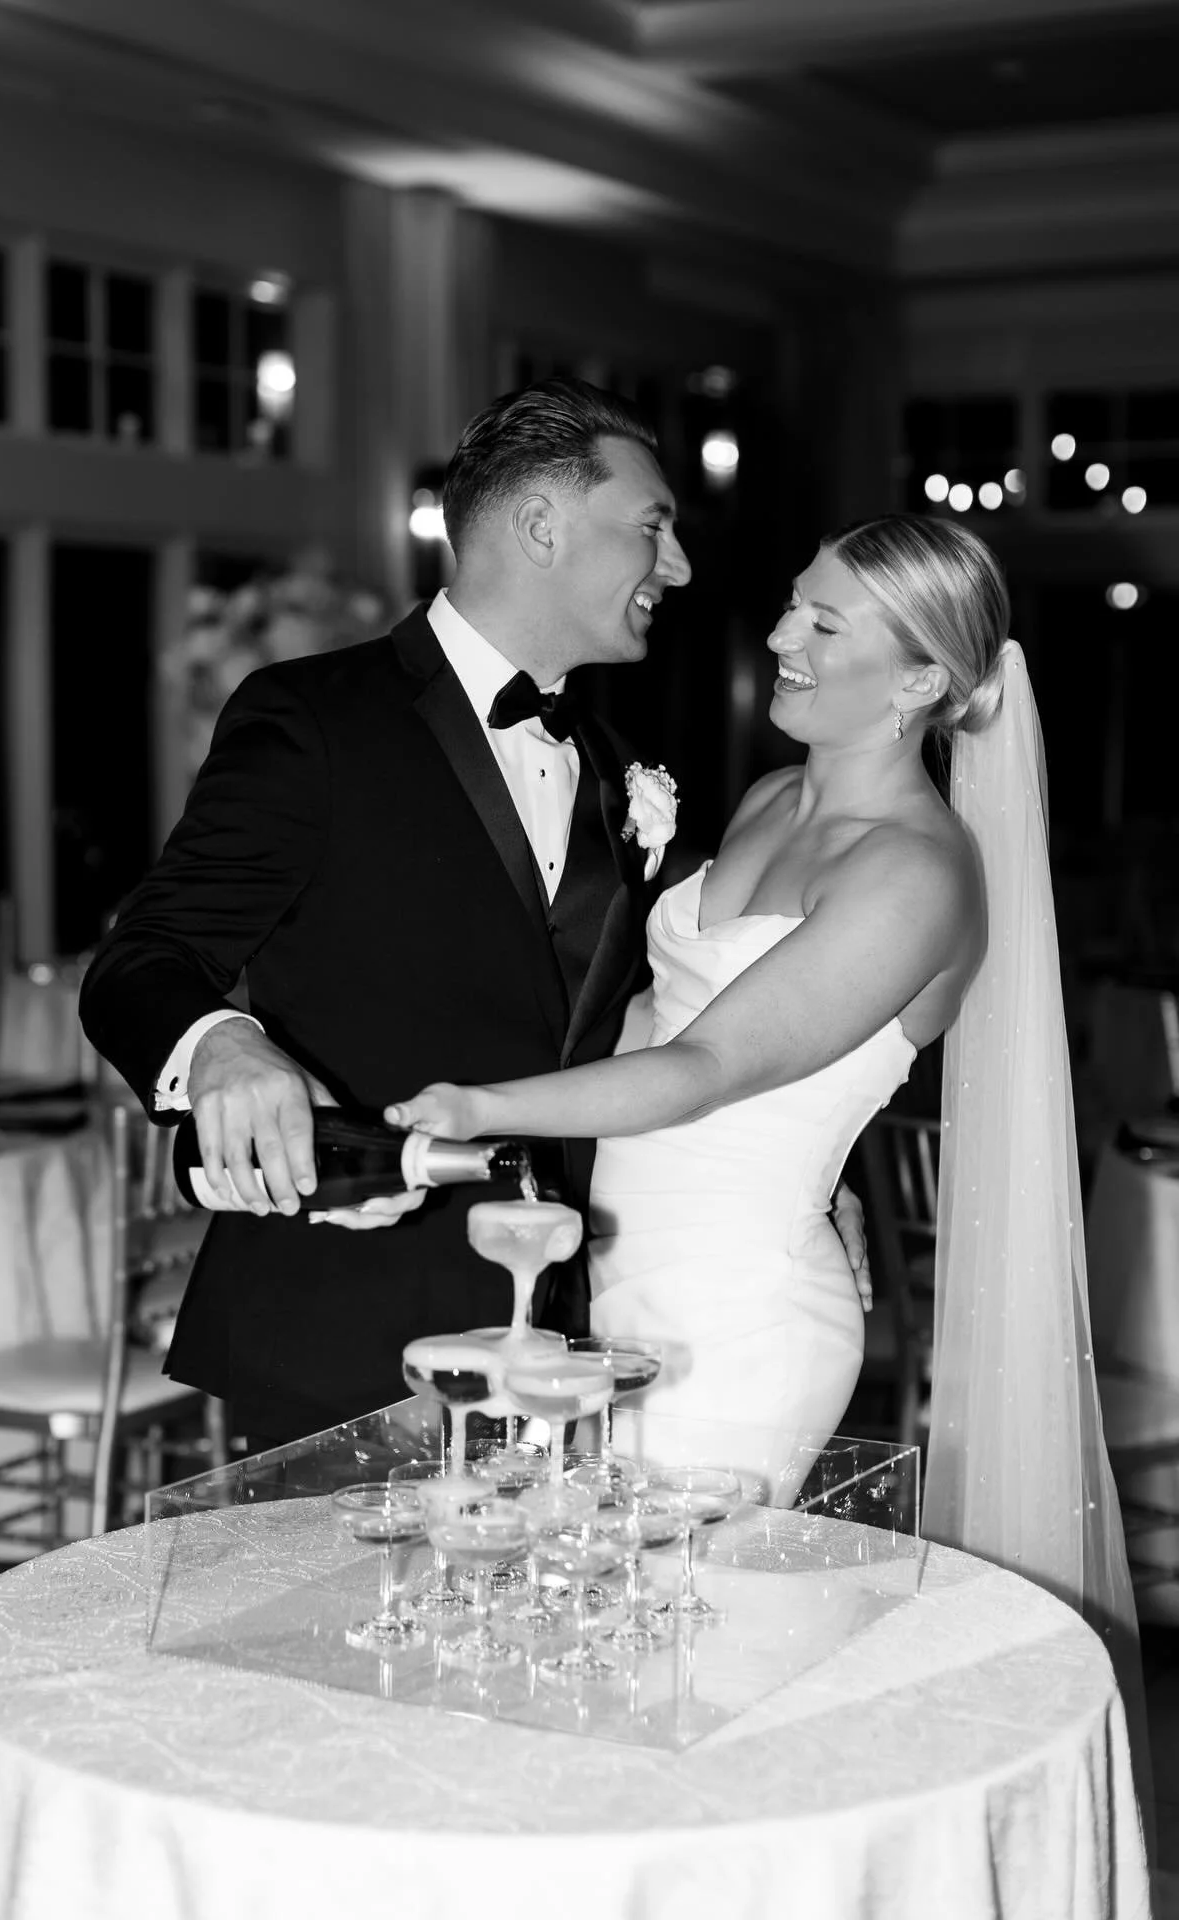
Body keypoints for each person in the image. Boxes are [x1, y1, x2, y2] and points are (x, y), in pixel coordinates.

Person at [387, 514, 1134, 1648]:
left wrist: (480, 1106)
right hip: (614, 1276)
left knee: (674, 1639)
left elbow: (704, 1068)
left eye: (825, 623)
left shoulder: (916, 870)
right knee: (583, 1622)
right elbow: (653, 1013)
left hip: (737, 1316)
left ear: (923, 677)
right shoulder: (771, 801)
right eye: (795, 601)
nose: (781, 632)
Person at [79, 378, 693, 1450]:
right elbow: (145, 957)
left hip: (554, 1326)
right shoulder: (313, 719)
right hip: (345, 1327)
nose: (677, 566)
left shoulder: (606, 763)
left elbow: (646, 1023)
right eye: (652, 527)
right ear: (541, 526)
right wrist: (222, 1046)